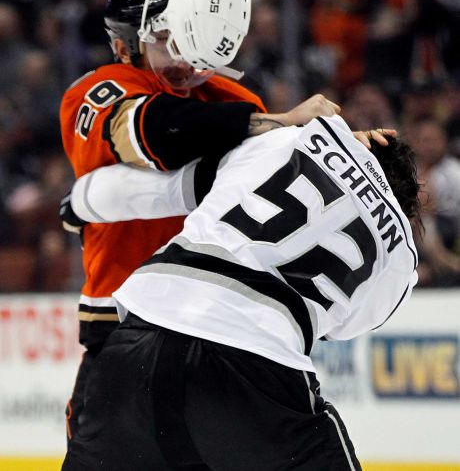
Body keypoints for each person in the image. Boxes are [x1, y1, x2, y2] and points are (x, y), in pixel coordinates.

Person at [59, 0, 343, 442]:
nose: (185, 63)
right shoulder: (97, 89)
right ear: (131, 39)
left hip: (218, 322)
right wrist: (277, 122)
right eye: (165, 41)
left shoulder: (232, 97)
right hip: (122, 318)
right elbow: (154, 132)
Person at [61, 114, 420, 470]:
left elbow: (165, 190)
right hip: (253, 363)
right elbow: (341, 327)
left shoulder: (285, 140)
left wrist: (79, 203)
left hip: (141, 332)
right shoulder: (401, 253)